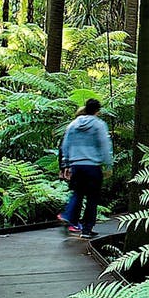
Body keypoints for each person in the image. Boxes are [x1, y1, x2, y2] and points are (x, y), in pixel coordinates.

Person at [57, 98, 112, 238]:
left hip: (76, 165)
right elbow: (104, 145)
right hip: (92, 166)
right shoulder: (99, 125)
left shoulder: (73, 125)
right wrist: (108, 164)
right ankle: (87, 230)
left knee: (78, 193)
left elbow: (65, 145)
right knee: (92, 198)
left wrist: (66, 164)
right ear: (97, 111)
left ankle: (68, 216)